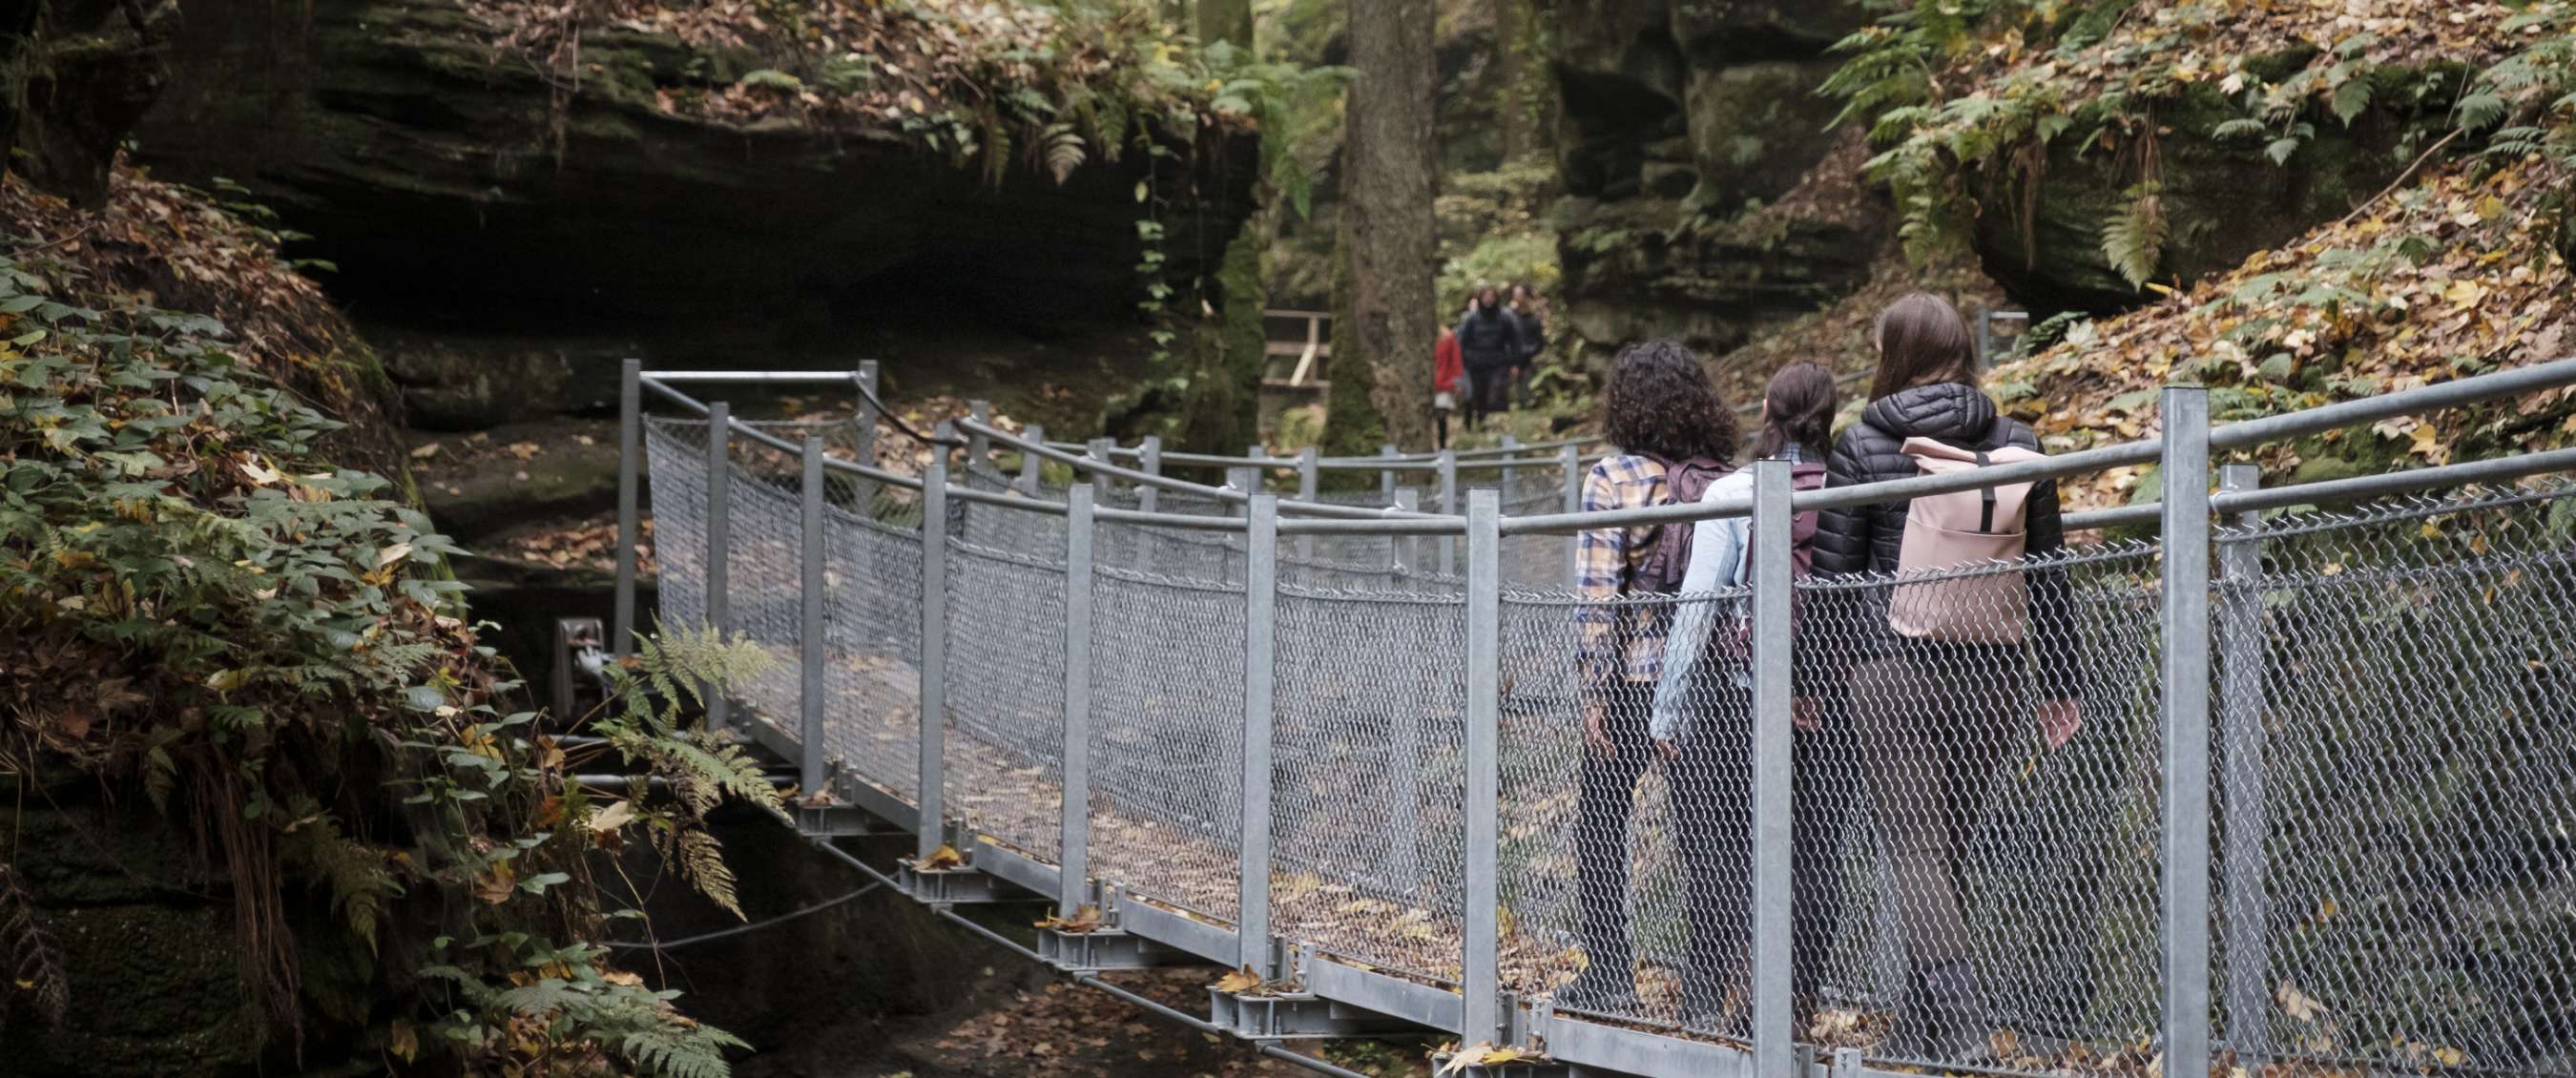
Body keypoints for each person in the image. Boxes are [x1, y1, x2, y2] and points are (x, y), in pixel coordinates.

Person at [1811, 292, 2083, 1063]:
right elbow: (2047, 573)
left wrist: (1813, 681)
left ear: (1892, 351)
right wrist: (2061, 682)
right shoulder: (2019, 442)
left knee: (1917, 853)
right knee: (1946, 850)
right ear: (1964, 349)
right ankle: (1918, 1030)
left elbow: (1833, 578)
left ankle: (1963, 1032)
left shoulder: (1863, 443)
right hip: (1995, 671)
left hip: (1890, 671)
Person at [1647, 361, 1845, 1031]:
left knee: (1727, 845)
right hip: (1832, 695)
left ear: (1765, 408)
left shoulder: (1732, 491)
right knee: (1817, 851)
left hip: (1740, 698)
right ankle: (1789, 1008)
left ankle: (1725, 1000)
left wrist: (1668, 708)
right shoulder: (1855, 488)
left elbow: (1697, 605)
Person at [1563, 339, 1741, 1012]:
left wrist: (1594, 689)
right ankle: (1704, 996)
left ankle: (1610, 976)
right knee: (1708, 832)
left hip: (1632, 682)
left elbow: (1598, 595)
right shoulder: (1724, 477)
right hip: (1708, 678)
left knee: (1603, 822)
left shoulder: (1613, 478)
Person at [1455, 285, 1525, 432]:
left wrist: (1515, 363)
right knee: (1478, 397)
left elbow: (1515, 341)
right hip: (1476, 364)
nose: (1489, 299)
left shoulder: (1505, 317)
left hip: (1498, 363)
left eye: (1492, 296)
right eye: (1486, 296)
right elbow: (1461, 342)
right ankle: (1481, 425)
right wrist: (1463, 363)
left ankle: (1497, 425)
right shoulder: (1471, 319)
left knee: (1495, 394)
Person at [1506, 282, 1546, 408]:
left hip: (1528, 360)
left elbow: (1539, 341)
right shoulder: (1508, 316)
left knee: (1527, 393)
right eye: (1515, 295)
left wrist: (1528, 351)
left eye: (1520, 295)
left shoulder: (1534, 318)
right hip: (1510, 360)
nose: (1518, 298)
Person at [1433, 324, 1464, 449]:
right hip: (1432, 384)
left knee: (1441, 415)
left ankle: (1442, 447)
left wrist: (1456, 381)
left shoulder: (1448, 338)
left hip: (1444, 383)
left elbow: (1456, 360)